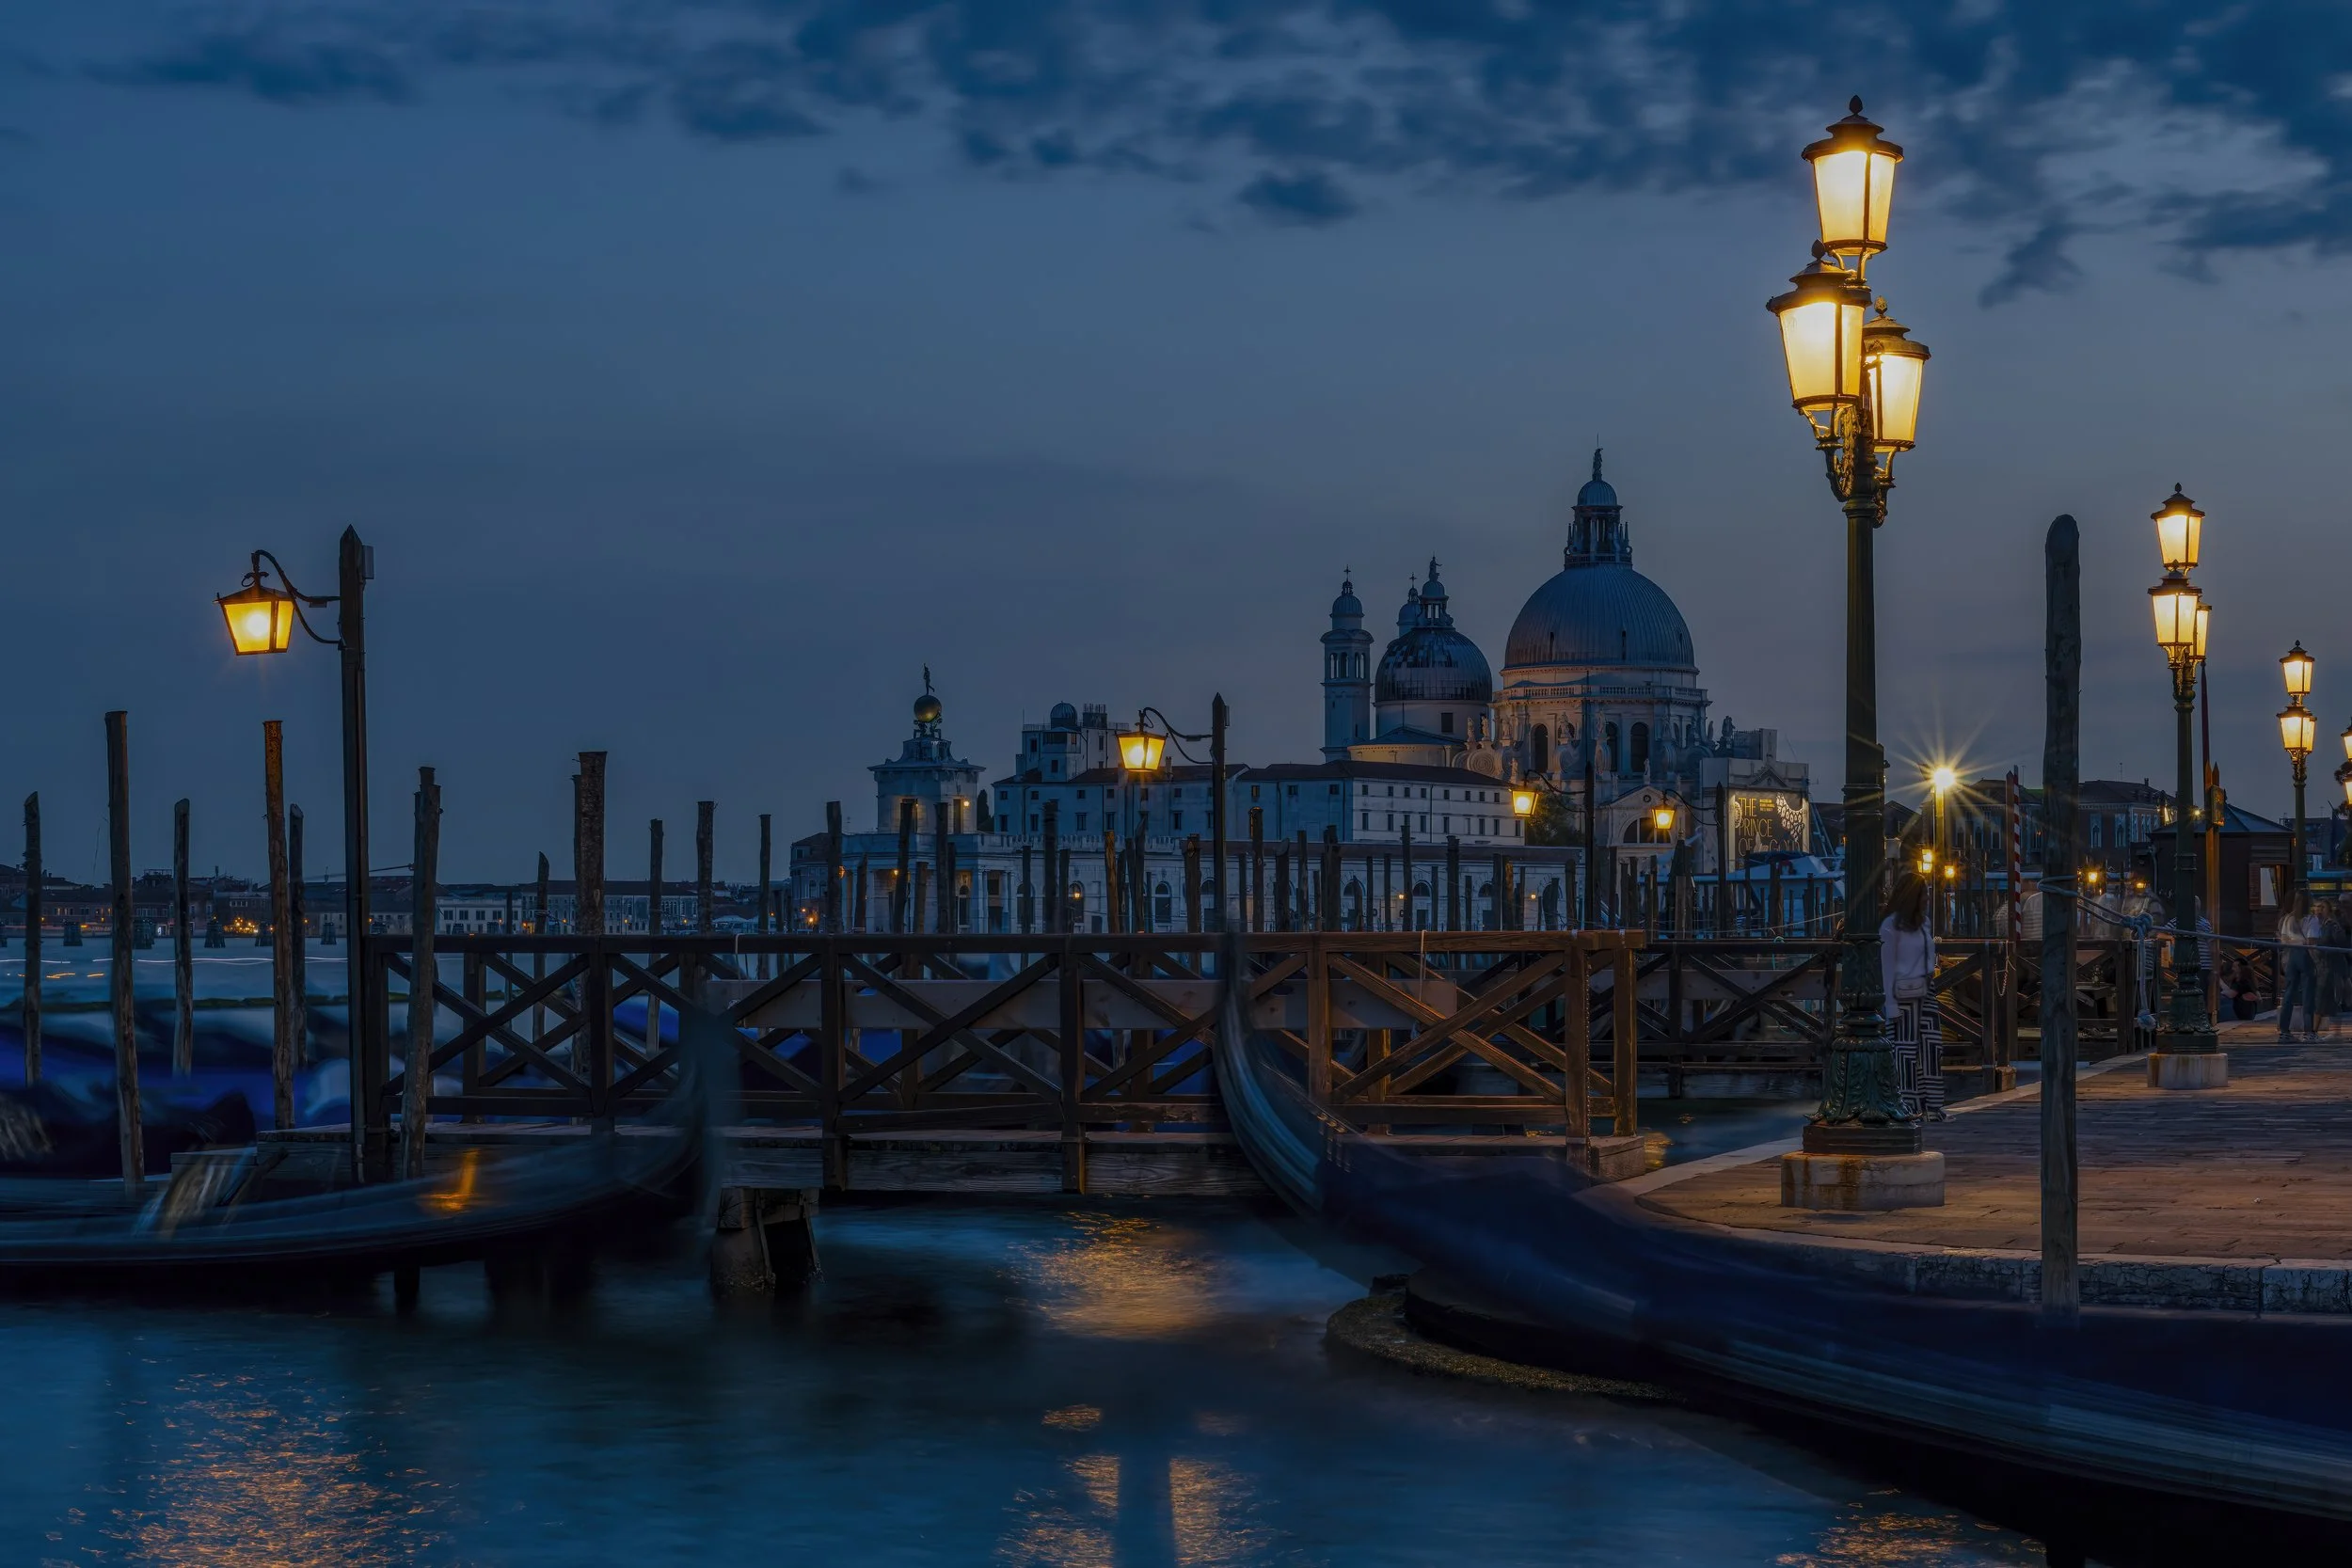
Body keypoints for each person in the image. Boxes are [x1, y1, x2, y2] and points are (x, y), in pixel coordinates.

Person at [1881, 873, 1943, 1119]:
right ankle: (1908, 1105)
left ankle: (1932, 1106)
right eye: (1924, 893)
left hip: (1927, 990)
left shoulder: (1923, 923)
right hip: (1903, 994)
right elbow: (1886, 967)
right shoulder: (1889, 926)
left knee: (1931, 1047)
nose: (1928, 897)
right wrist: (1890, 1005)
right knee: (1904, 1052)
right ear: (1912, 897)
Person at [2278, 892, 2319, 1041]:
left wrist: (2294, 943)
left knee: (2288, 994)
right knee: (2308, 994)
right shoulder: (2311, 919)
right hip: (2305, 956)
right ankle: (2309, 1032)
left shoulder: (2288, 918)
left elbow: (2283, 941)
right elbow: (2311, 943)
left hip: (2291, 956)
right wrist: (2316, 963)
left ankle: (2284, 1032)